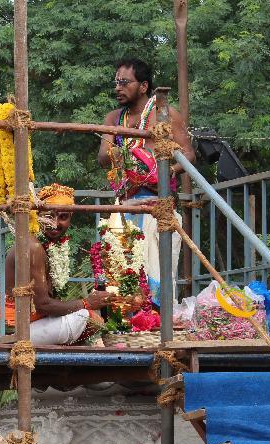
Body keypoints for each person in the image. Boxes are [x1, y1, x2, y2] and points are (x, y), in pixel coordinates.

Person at [97, 57, 196, 302]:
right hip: (124, 206)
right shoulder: (113, 119)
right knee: (122, 275)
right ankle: (127, 332)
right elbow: (102, 157)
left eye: (124, 82)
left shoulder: (164, 114)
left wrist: (165, 171)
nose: (118, 87)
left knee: (157, 274)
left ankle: (158, 329)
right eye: (116, 82)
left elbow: (189, 154)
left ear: (143, 86)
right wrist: (127, 158)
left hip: (157, 205)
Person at [0, 183, 112, 345]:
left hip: (24, 324)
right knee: (87, 318)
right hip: (9, 331)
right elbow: (43, 305)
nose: (55, 224)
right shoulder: (33, 246)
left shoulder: (46, 244)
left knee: (86, 316)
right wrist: (87, 303)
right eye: (49, 216)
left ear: (70, 218)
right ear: (38, 215)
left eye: (63, 217)